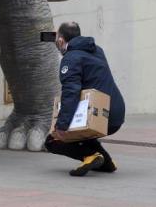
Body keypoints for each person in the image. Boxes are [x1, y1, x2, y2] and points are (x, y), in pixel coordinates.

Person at [45, 22, 125, 177]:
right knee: (83, 133)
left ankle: (90, 156)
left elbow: (71, 93)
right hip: (115, 113)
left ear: (61, 41)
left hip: (98, 117)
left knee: (52, 141)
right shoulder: (97, 50)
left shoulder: (70, 59)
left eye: (57, 41)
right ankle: (107, 163)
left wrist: (61, 126)